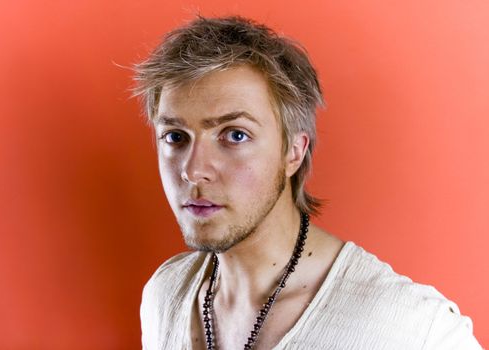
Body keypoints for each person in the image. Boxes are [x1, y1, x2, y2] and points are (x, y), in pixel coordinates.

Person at [134, 16, 482, 350]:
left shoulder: (409, 326)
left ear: (293, 153)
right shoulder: (165, 296)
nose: (194, 171)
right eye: (176, 136)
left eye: (235, 135)